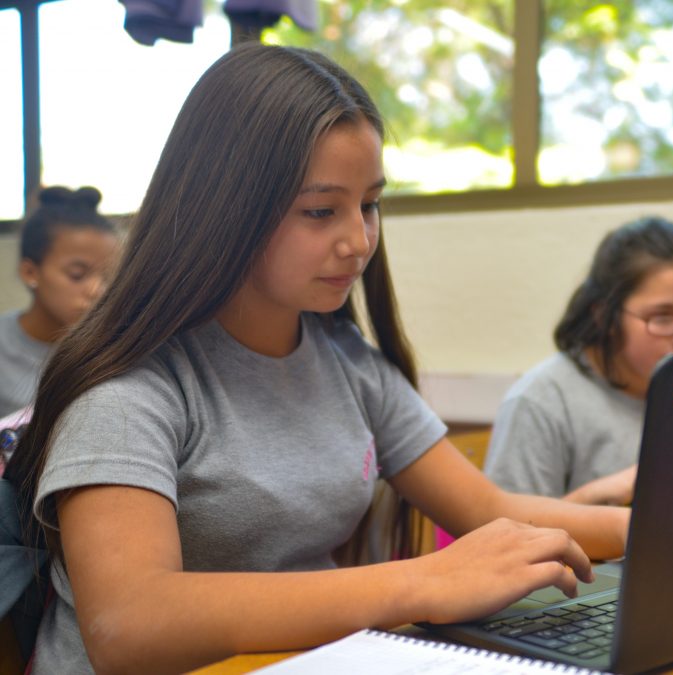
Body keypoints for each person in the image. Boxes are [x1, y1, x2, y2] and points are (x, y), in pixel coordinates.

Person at [5, 43, 628, 675]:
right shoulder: (129, 386)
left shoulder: (344, 361)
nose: (358, 241)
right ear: (225, 209)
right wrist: (422, 582)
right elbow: (129, 623)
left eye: (370, 205)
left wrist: (670, 530)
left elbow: (487, 510)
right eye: (321, 210)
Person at [484, 217, 673, 505]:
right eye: (663, 318)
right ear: (605, 315)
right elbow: (508, 538)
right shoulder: (540, 401)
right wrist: (597, 497)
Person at [0, 186, 118, 418]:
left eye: (107, 277)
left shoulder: (109, 350)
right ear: (30, 272)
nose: (97, 291)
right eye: (77, 275)